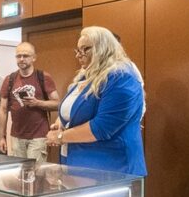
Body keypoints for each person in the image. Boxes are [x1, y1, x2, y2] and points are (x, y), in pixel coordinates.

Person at [46, 26, 146, 176]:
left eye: (85, 49)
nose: (79, 56)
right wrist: (61, 124)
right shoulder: (86, 76)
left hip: (112, 168)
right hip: (80, 162)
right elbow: (77, 110)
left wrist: (61, 137)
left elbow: (102, 127)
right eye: (78, 50)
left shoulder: (122, 77)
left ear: (103, 48)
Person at [0, 42, 59, 162]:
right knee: (19, 173)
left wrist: (38, 103)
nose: (21, 59)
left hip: (38, 136)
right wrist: (1, 137)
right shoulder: (9, 79)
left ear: (33, 57)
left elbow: (57, 104)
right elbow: (3, 109)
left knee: (36, 174)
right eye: (18, 56)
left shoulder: (43, 77)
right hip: (16, 136)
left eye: (25, 56)